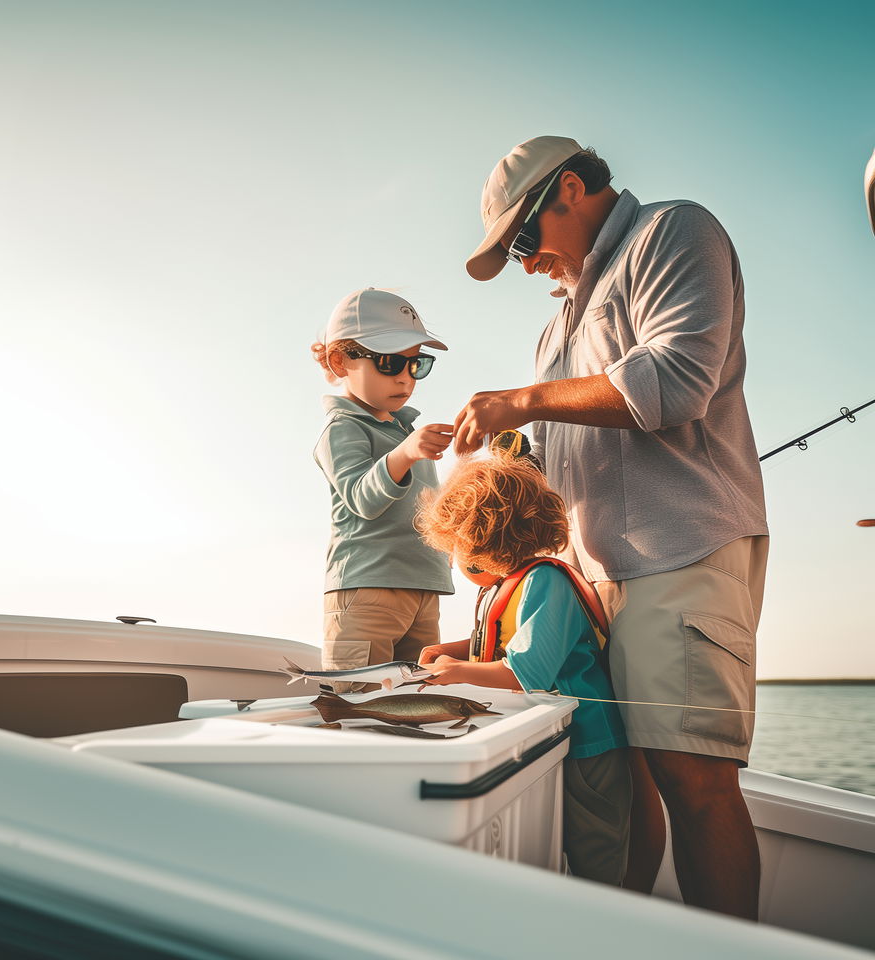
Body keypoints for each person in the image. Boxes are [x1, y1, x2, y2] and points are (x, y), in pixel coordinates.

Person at [455, 136, 769, 920]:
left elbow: (675, 381)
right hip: (594, 586)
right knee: (628, 783)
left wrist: (523, 401)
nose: (524, 264)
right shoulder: (555, 325)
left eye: (522, 241)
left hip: (678, 557)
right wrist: (518, 453)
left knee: (694, 783)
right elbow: (566, 444)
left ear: (569, 189)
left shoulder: (673, 233)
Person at [415, 449, 631, 886]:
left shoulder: (545, 581)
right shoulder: (508, 585)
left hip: (589, 748)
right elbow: (494, 646)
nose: (453, 558)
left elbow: (523, 672)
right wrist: (448, 651)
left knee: (595, 859)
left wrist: (455, 671)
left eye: (454, 546)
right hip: (553, 740)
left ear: (481, 541)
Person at [312, 287, 455, 689]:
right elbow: (361, 497)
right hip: (367, 589)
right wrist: (407, 452)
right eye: (390, 363)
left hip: (423, 590)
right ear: (340, 361)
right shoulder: (343, 427)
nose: (406, 379)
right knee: (360, 709)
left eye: (416, 365)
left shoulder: (404, 430)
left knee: (416, 703)